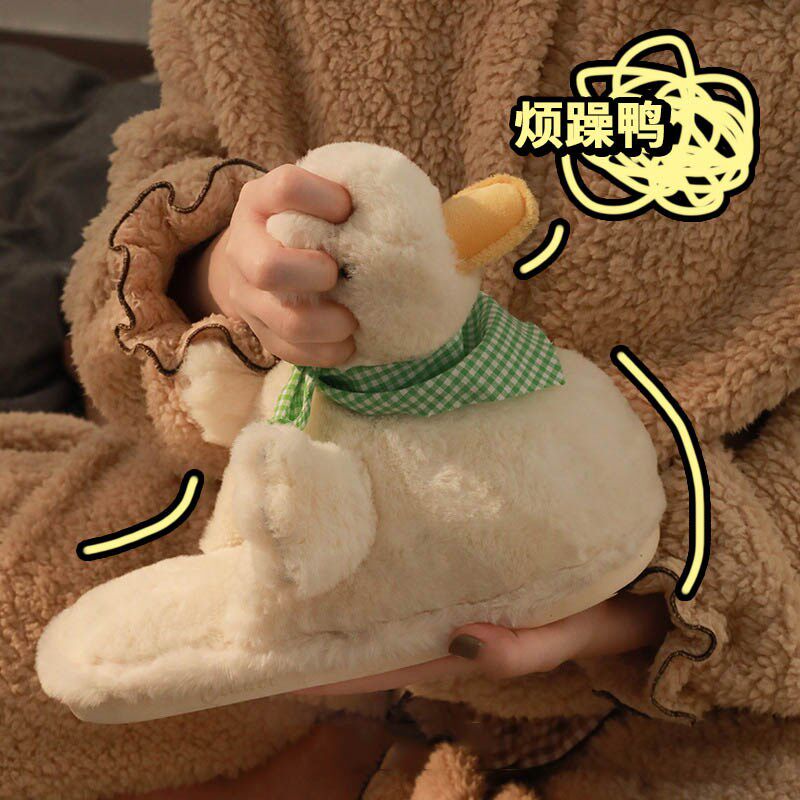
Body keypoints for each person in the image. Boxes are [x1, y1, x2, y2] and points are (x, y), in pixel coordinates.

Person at [2, 1, 799, 797]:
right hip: (244, 528)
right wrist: (210, 275)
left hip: (656, 664)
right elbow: (144, 223)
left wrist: (634, 603)